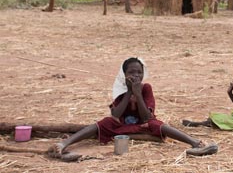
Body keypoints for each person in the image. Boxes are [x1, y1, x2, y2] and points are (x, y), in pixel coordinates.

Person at [48, 57, 218, 161]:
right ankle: (64, 144)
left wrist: (138, 93)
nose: (136, 75)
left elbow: (146, 117)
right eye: (132, 72)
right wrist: (129, 92)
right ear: (124, 75)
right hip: (121, 127)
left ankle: (196, 143)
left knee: (158, 124)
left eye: (139, 72)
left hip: (143, 126)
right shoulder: (121, 90)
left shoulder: (146, 88)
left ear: (143, 74)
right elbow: (115, 115)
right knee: (103, 123)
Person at [182, 64, 233, 130]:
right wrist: (230, 93)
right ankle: (204, 123)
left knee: (215, 120)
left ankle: (195, 124)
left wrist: (227, 118)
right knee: (214, 118)